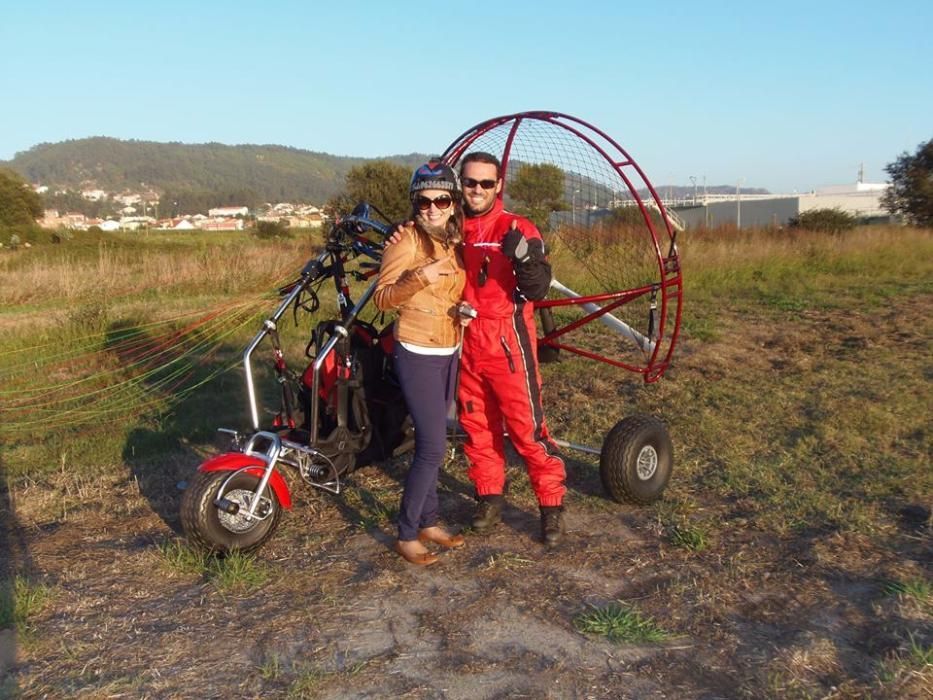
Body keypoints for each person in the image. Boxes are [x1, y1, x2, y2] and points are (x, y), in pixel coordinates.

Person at [455, 151, 567, 548]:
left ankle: (551, 506)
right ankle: (489, 498)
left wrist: (524, 258)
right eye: (471, 182)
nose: (478, 190)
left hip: (507, 341)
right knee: (477, 426)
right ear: (461, 183)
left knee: (526, 429)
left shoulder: (517, 227)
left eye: (486, 183)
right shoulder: (453, 226)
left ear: (498, 185)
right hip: (465, 340)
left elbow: (537, 288)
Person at [374, 160, 468, 566]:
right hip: (416, 350)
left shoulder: (452, 240)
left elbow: (450, 293)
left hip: (449, 347)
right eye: (424, 202)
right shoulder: (406, 241)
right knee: (432, 447)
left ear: (453, 203)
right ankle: (407, 532)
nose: (432, 209)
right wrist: (420, 277)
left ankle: (429, 521)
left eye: (440, 200)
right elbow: (382, 298)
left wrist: (461, 310)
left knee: (434, 439)